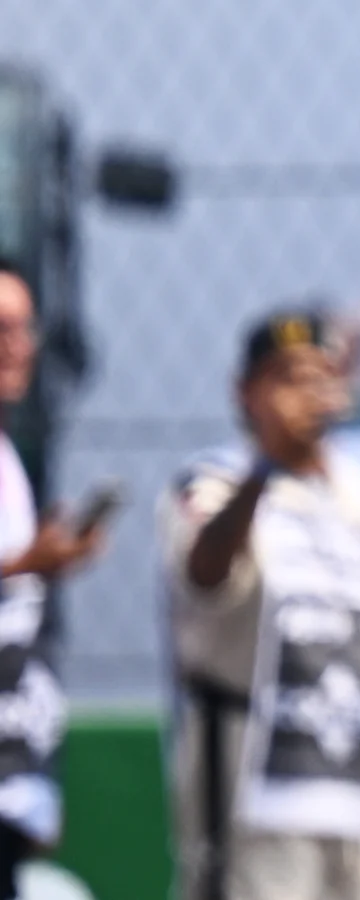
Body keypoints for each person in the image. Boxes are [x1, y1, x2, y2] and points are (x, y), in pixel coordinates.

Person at [162, 311, 360, 900]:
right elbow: (206, 573)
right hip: (259, 789)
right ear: (245, 391)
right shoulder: (214, 482)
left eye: (323, 375)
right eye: (286, 376)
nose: (309, 391)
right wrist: (264, 471)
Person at [0, 271, 101, 892]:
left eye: (25, 327)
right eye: (1, 328)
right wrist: (24, 564)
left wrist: (29, 784)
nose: (19, 344)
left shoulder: (9, 457)